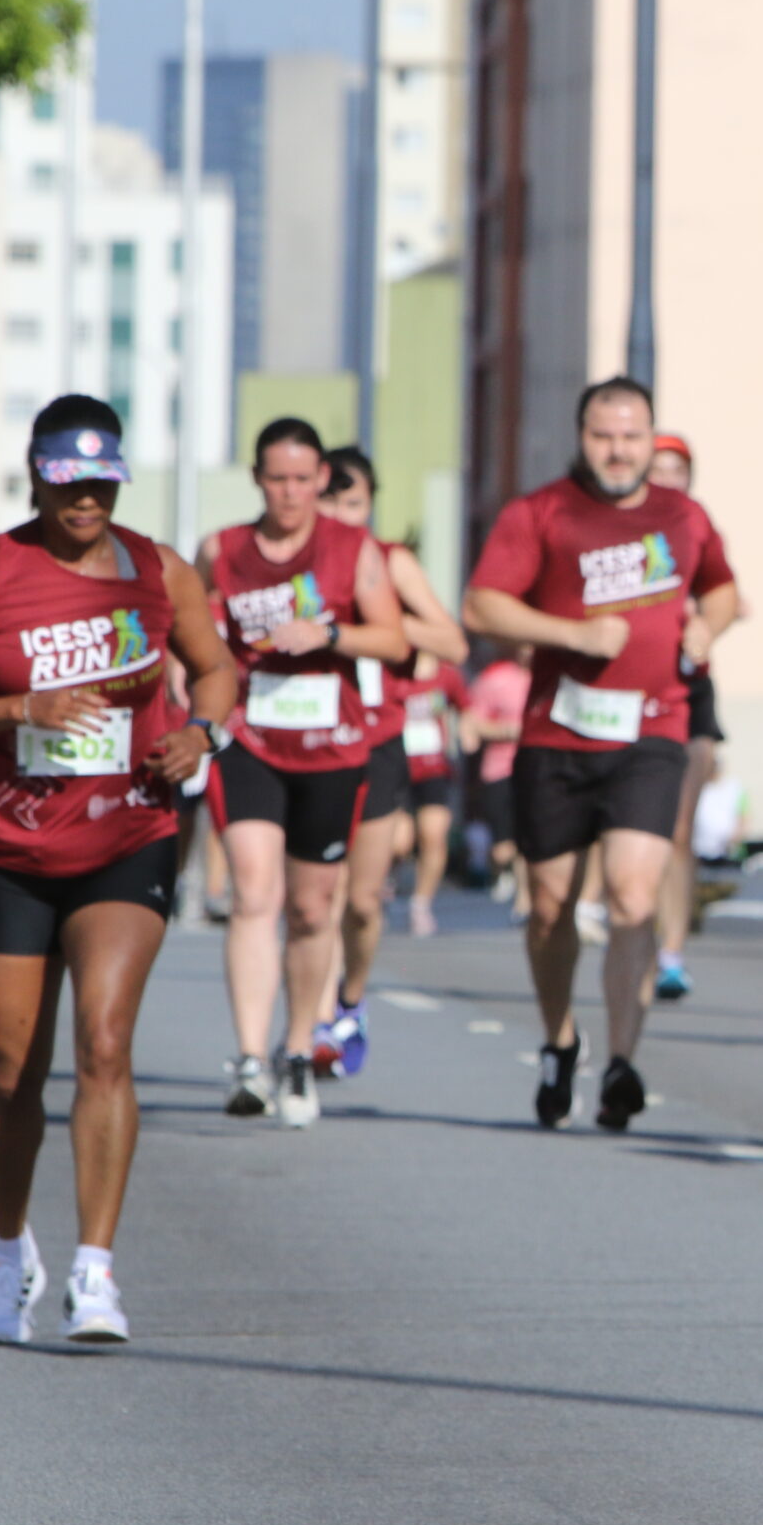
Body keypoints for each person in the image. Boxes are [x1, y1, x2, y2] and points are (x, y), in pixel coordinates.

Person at [0, 396, 238, 1344]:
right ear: (37, 476)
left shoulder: (158, 568)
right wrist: (22, 707)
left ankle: (95, 1272)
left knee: (105, 1042)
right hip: (10, 844)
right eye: (69, 483)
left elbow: (217, 669)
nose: (86, 501)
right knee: (13, 1072)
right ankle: (10, 1254)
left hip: (126, 831)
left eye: (102, 483)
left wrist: (201, 734)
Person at [463, 377, 740, 1130]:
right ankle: (560, 1040)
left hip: (651, 732)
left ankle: (621, 1061)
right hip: (556, 736)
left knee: (633, 895)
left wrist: (707, 627)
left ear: (652, 438)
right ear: (582, 436)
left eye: (632, 435)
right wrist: (575, 635)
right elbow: (481, 605)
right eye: (603, 435)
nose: (618, 450)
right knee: (550, 906)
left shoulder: (682, 516)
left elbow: (722, 589)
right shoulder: (542, 512)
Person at [199, 419, 410, 1127]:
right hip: (251, 739)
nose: (290, 493)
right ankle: (250, 1059)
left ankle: (297, 1050)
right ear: (257, 478)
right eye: (276, 478)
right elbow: (195, 633)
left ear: (322, 479)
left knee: (313, 907)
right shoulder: (222, 550)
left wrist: (330, 633)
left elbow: (395, 638)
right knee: (255, 892)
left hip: (332, 745)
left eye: (303, 479)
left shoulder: (354, 551)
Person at [313, 447, 470, 1076]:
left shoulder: (389, 562)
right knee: (318, 895)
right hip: (311, 743)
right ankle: (317, 1023)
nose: (341, 515)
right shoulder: (299, 564)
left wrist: (385, 622)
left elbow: (453, 640)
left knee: (362, 900)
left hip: (377, 742)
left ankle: (352, 999)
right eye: (331, 500)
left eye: (354, 503)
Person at [647, 431, 730, 1001]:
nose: (667, 479)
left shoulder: (697, 525)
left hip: (689, 692)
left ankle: (670, 953)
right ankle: (630, 926)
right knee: (637, 833)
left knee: (678, 829)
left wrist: (707, 620)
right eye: (659, 469)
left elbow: (728, 593)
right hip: (627, 695)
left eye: (677, 470)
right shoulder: (618, 526)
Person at [397, 654, 469, 938]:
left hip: (434, 767)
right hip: (397, 766)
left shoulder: (446, 675)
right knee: (399, 843)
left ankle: (421, 904)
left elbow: (466, 706)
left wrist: (468, 726)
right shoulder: (394, 670)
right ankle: (386, 883)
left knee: (434, 834)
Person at [463, 646, 531, 912]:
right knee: (503, 848)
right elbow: (472, 722)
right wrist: (504, 730)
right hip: (499, 769)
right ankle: (502, 871)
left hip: (533, 768)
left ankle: (525, 899)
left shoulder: (550, 676)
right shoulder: (495, 678)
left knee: (528, 837)